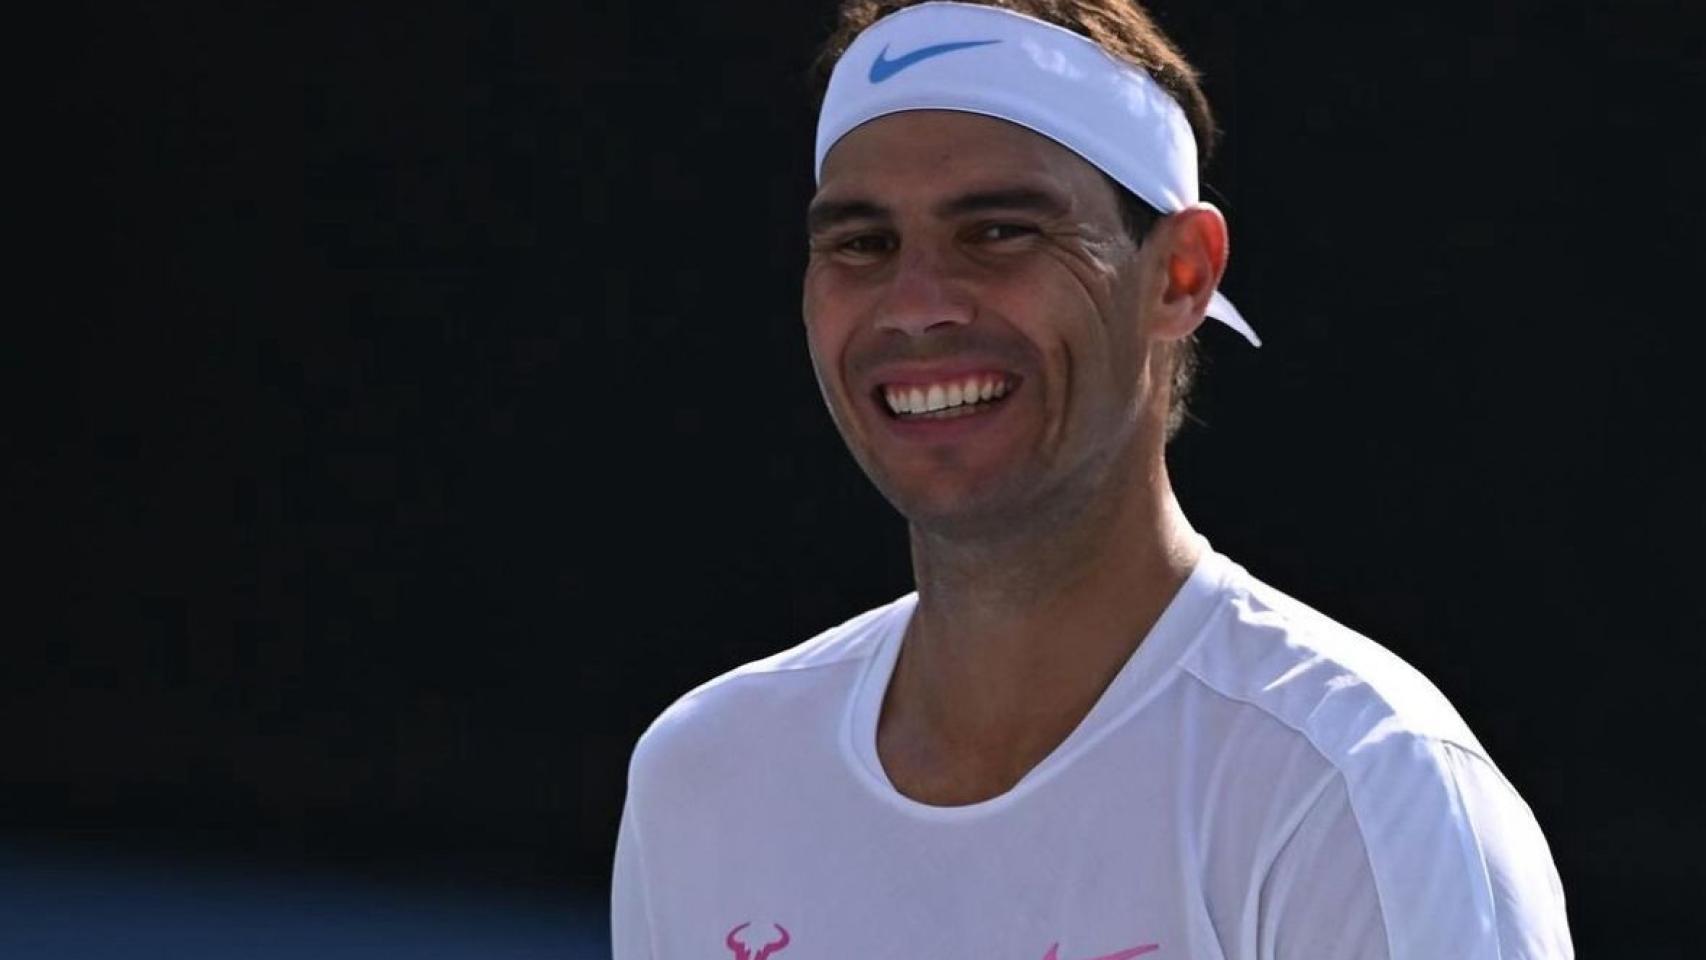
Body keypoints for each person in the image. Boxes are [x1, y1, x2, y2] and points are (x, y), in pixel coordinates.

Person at [612, 1, 1574, 957]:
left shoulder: (1354, 783)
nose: (917, 306)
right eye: (862, 243)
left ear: (1179, 275)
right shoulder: (705, 774)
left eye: (1000, 232)